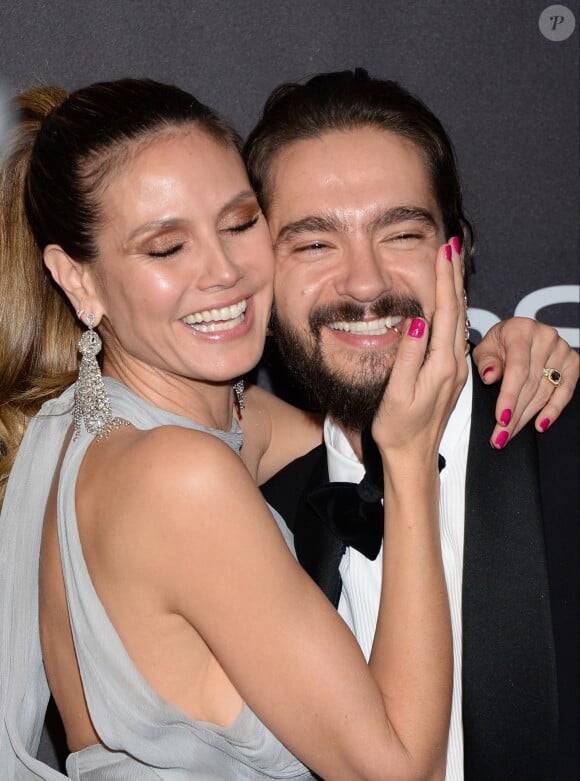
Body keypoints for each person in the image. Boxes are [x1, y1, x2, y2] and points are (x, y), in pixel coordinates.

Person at [0, 78, 573, 781]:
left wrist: (509, 349)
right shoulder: (181, 475)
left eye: (239, 224)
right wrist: (408, 460)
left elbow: (322, 425)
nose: (224, 271)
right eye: (165, 247)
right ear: (77, 280)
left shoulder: (110, 432)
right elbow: (398, 770)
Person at [247, 69, 580, 781]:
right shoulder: (254, 525)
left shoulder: (563, 432)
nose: (365, 284)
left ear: (455, 252)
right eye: (313, 244)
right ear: (258, 277)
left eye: (400, 233)